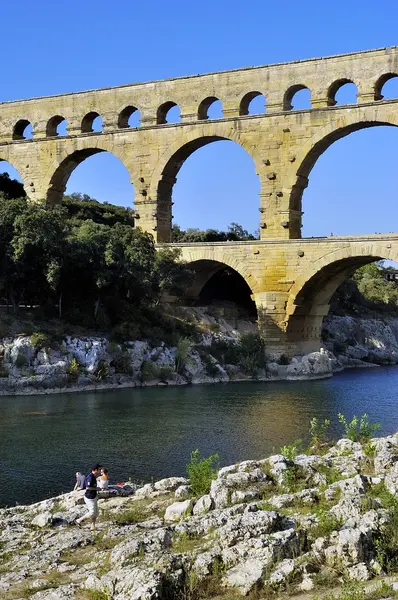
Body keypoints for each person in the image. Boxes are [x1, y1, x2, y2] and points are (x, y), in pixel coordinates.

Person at [75, 464, 101, 530]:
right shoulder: (90, 477)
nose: (100, 471)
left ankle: (93, 526)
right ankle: (78, 520)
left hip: (94, 496)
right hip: (89, 498)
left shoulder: (94, 476)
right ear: (95, 470)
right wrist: (96, 489)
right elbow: (88, 488)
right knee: (92, 513)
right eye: (99, 469)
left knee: (96, 512)